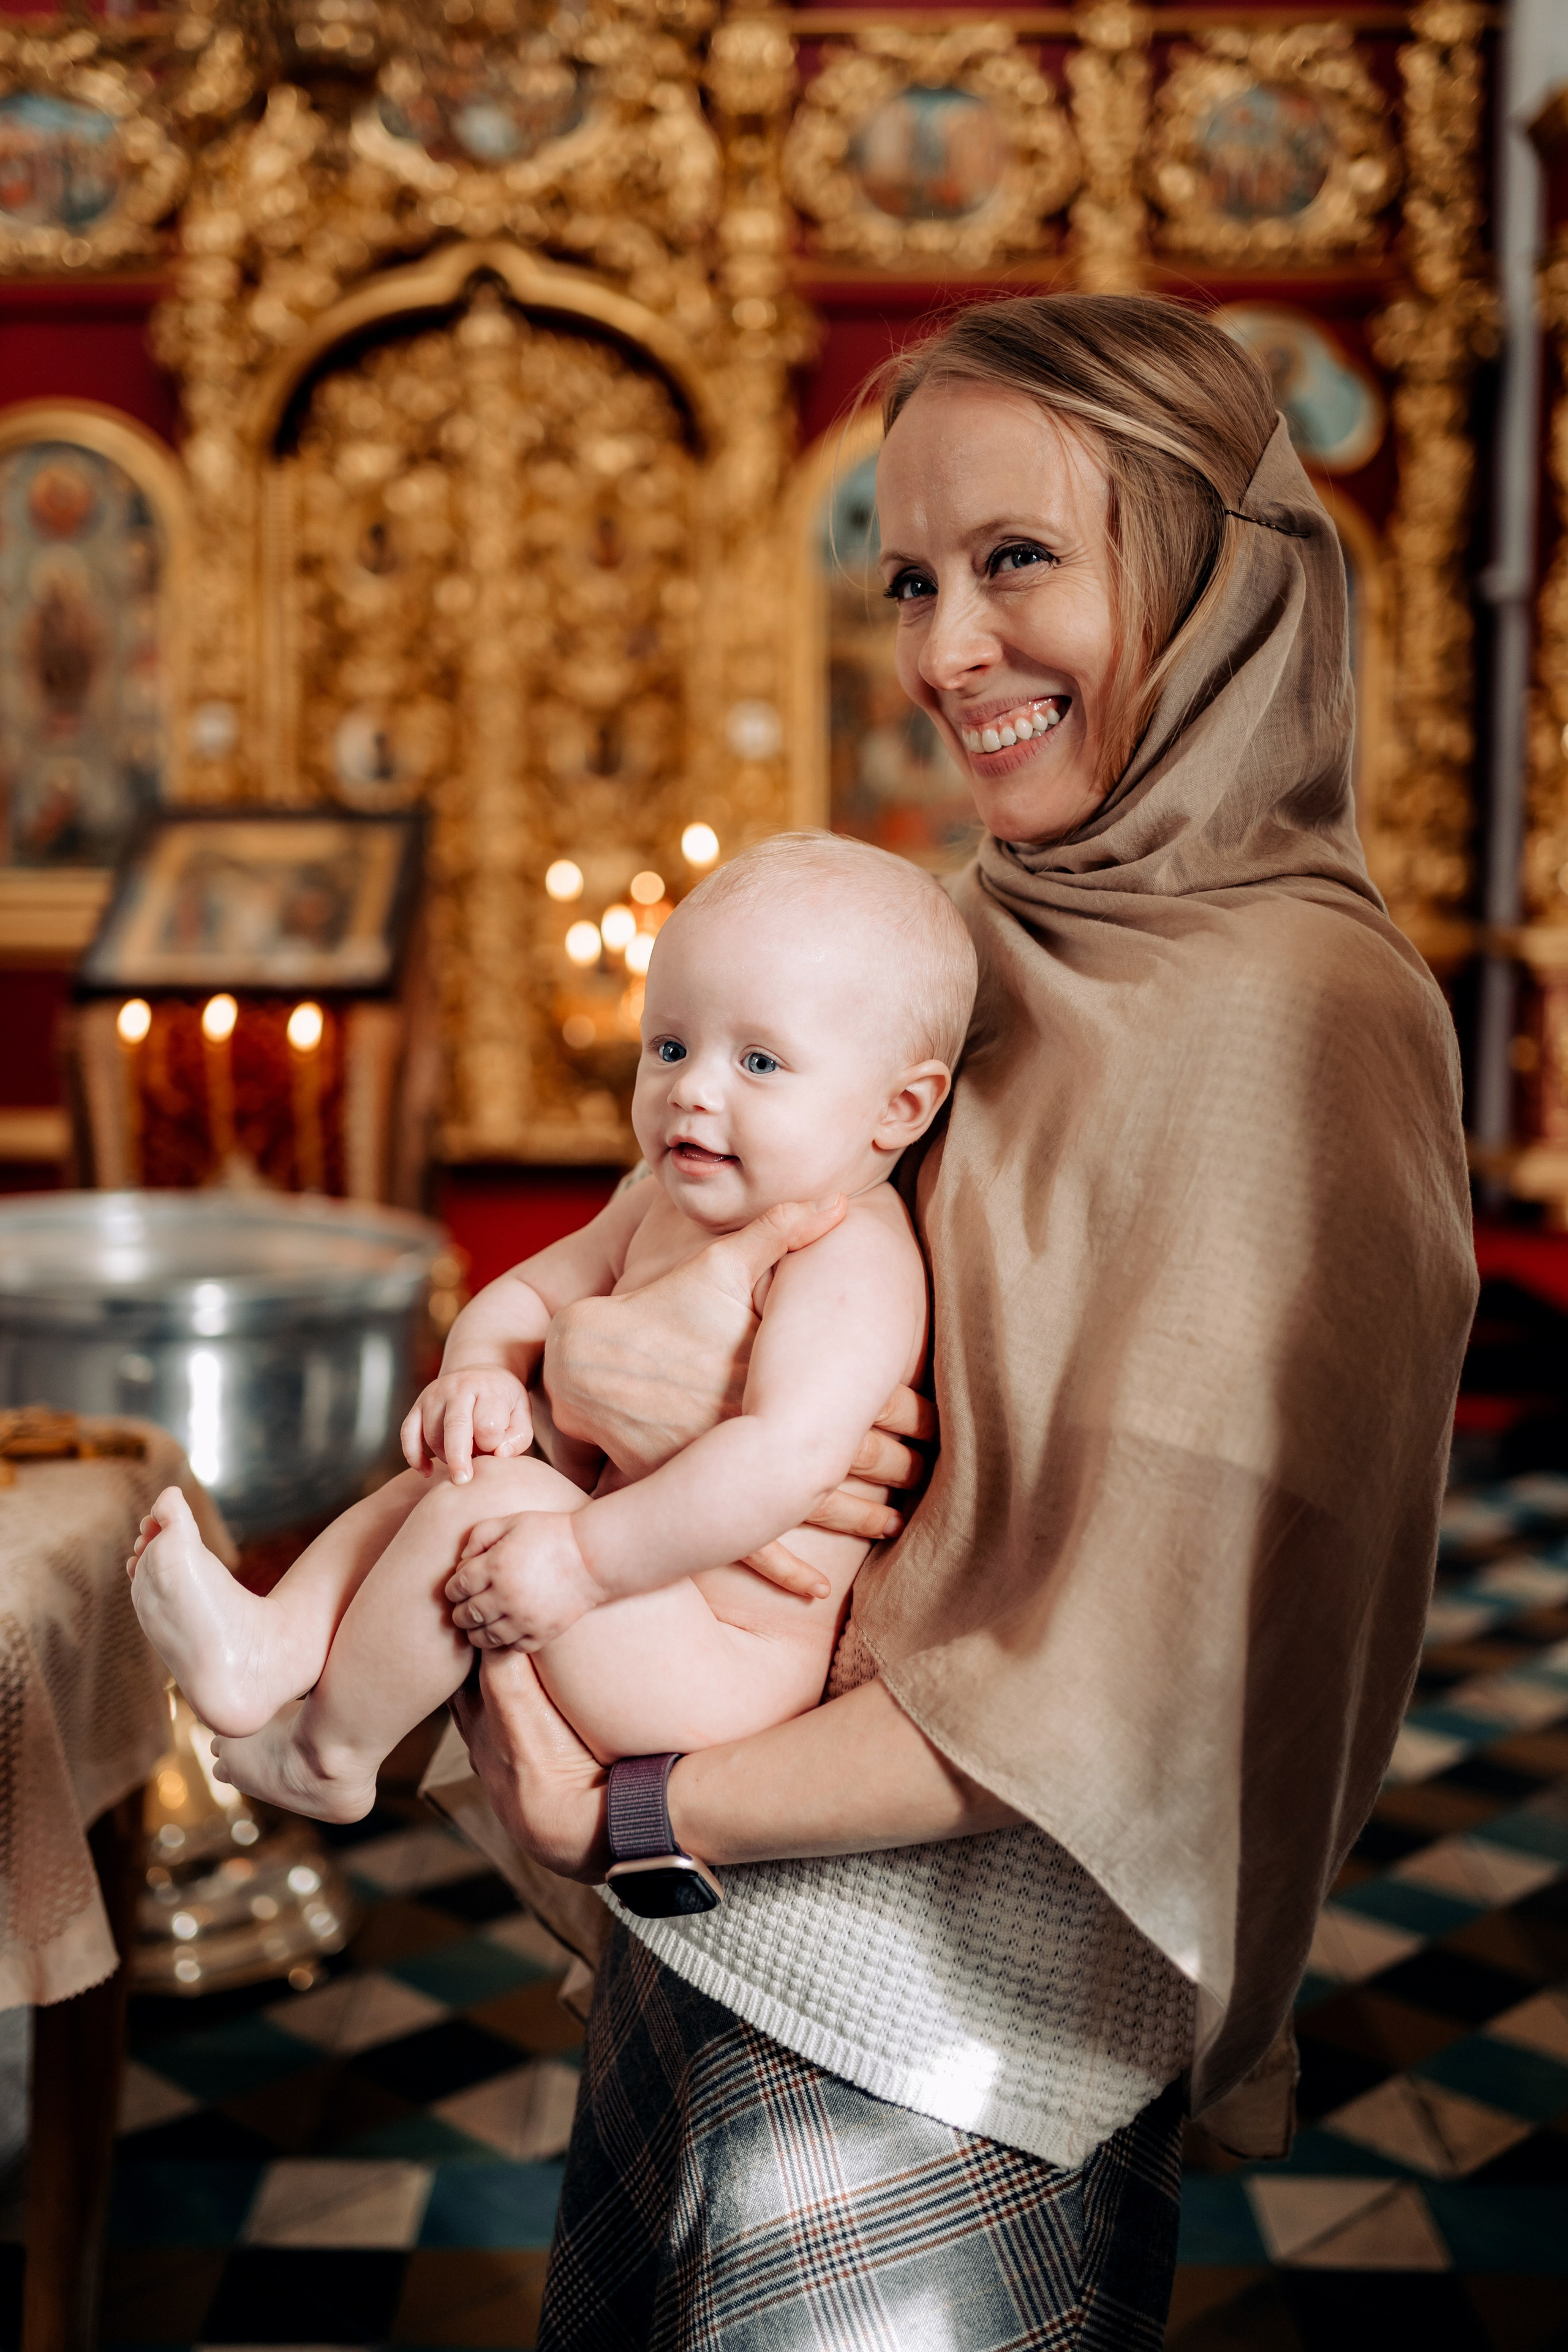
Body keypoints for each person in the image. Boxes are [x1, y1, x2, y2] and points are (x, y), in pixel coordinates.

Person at [443, 293, 1479, 2350]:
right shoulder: (972, 937)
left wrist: (628, 1815)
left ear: (1202, 572)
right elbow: (661, 1276)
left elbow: (1137, 1674)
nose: (940, 655)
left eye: (1019, 561)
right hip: (718, 1947)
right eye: (910, 576)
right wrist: (582, 1371)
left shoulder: (1303, 1023)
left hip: (958, 2055)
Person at [124, 835, 976, 1823]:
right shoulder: (661, 1200)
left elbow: (782, 1458)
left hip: (719, 1665)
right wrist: (481, 1368)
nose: (694, 1089)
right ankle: (272, 1646)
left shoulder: (852, 1258)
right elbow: (531, 1292)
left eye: (758, 1060)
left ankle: (333, 1753)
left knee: (489, 1506)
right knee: (459, 1475)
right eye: (669, 1047)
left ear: (899, 1108)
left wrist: (582, 1561)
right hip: (632, 1598)